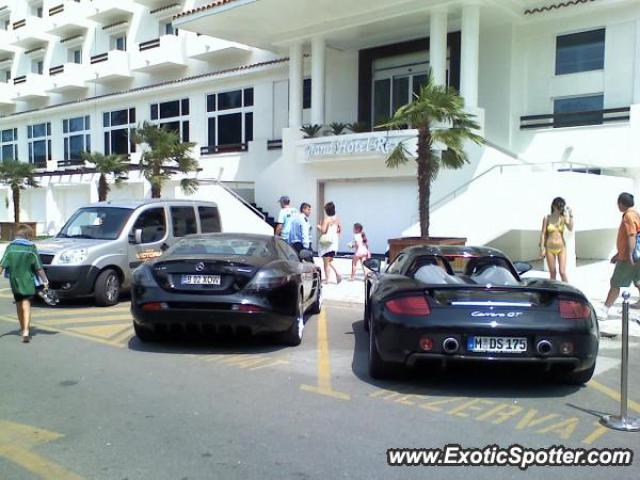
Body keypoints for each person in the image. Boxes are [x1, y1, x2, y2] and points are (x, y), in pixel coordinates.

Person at [0, 224, 49, 343]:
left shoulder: (10, 248)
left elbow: (2, 265)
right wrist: (45, 280)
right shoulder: (31, 248)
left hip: (15, 281)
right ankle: (26, 331)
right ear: (27, 235)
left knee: (19, 305)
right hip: (28, 281)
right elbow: (38, 267)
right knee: (26, 305)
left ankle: (22, 328)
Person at [599, 192, 640, 321]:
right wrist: (618, 253)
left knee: (615, 282)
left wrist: (629, 255)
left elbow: (631, 235)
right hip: (634, 255)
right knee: (638, 281)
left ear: (621, 203)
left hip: (629, 258)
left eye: (618, 203)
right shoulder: (635, 214)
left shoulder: (628, 216)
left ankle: (605, 309)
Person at [539, 197, 573, 282]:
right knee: (553, 272)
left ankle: (568, 291)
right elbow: (543, 233)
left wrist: (571, 215)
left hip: (561, 248)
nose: (560, 209)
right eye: (559, 207)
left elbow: (570, 228)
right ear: (554, 206)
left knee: (562, 272)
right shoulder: (547, 218)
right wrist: (542, 248)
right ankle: (553, 292)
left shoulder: (562, 218)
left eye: (562, 207)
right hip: (549, 248)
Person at [317, 201, 342, 284]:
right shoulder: (337, 219)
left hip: (326, 243)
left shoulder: (326, 219)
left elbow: (323, 231)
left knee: (326, 262)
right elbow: (339, 230)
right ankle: (336, 274)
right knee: (329, 261)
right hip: (333, 242)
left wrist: (319, 227)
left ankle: (329, 279)